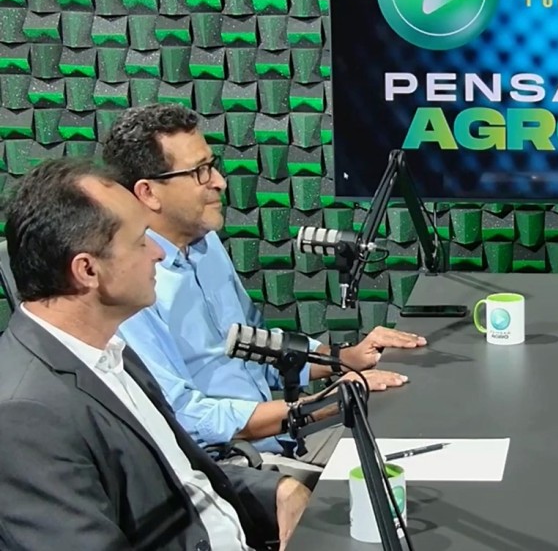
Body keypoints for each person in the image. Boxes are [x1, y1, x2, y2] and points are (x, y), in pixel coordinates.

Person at [101, 103, 427, 486]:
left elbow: (261, 348)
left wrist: (345, 359)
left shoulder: (206, 244)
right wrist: (318, 406)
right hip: (233, 468)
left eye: (213, 165)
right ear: (148, 192)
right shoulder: (132, 287)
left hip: (285, 439)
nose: (219, 182)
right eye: (200, 171)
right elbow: (183, 416)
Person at [0, 158, 311, 550]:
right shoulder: (24, 414)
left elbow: (183, 477)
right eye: (140, 240)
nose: (158, 254)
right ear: (88, 271)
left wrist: (279, 490)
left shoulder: (113, 353)